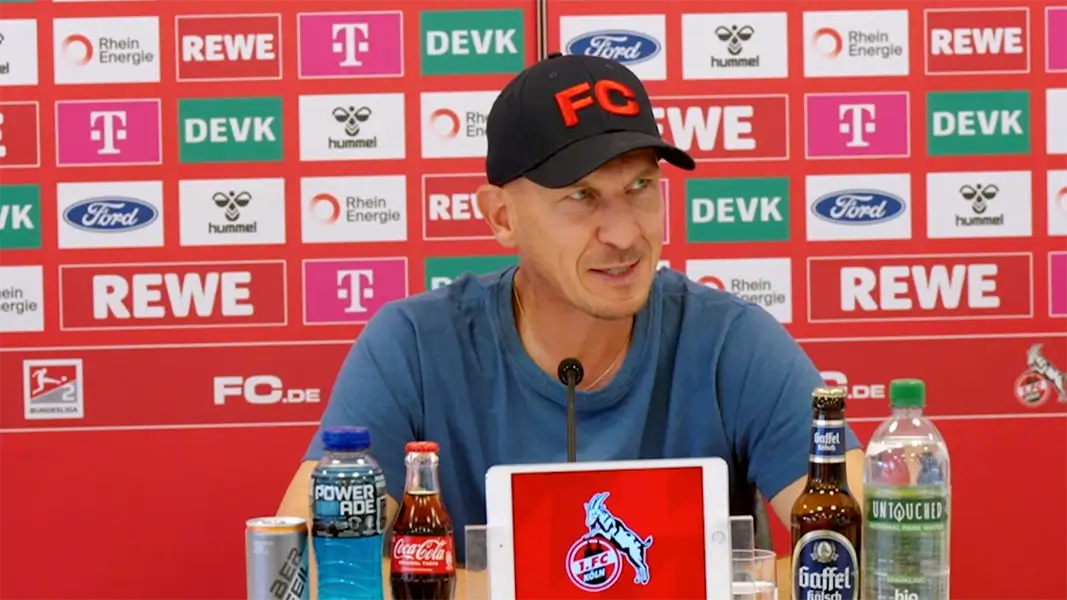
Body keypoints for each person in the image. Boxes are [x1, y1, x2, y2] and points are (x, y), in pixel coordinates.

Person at [278, 53, 864, 596]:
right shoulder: (412, 346)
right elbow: (304, 564)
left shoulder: (729, 341)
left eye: (640, 188)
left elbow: (871, 549)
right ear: (502, 217)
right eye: (582, 196)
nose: (624, 234)